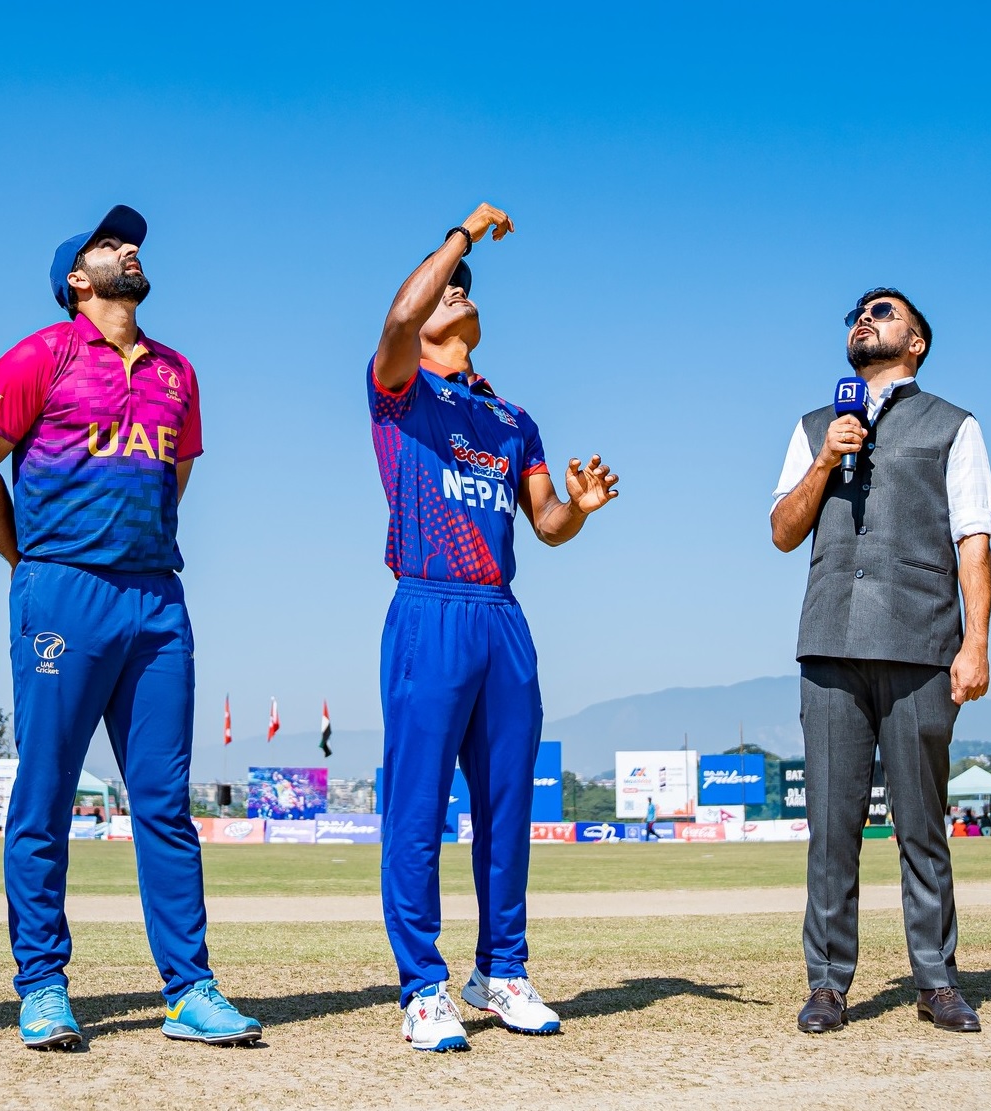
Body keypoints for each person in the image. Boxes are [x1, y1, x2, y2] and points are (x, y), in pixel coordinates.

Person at [0, 204, 260, 1050]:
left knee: (163, 802)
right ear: (76, 279)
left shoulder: (177, 371)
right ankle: (43, 985)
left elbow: (173, 476)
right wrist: (31, 559)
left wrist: (129, 550)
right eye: (109, 244)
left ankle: (189, 989)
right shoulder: (39, 355)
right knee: (45, 792)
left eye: (133, 243)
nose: (129, 249)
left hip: (155, 598)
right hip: (63, 592)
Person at [366, 204, 621, 1052]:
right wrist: (460, 236)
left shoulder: (513, 419)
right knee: (416, 812)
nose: (456, 291)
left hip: (500, 616)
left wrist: (577, 508)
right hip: (428, 606)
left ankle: (500, 970)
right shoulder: (401, 388)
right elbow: (400, 317)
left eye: (463, 285)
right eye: (446, 286)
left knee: (507, 807)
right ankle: (422, 985)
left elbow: (545, 524)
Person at [772, 288, 991, 1036]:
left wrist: (975, 642)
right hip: (829, 642)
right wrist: (825, 459)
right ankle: (827, 983)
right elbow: (782, 530)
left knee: (920, 825)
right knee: (830, 829)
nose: (865, 319)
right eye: (857, 315)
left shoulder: (954, 425)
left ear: (917, 342)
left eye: (884, 311)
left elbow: (973, 537)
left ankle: (936, 979)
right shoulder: (814, 426)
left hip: (921, 642)